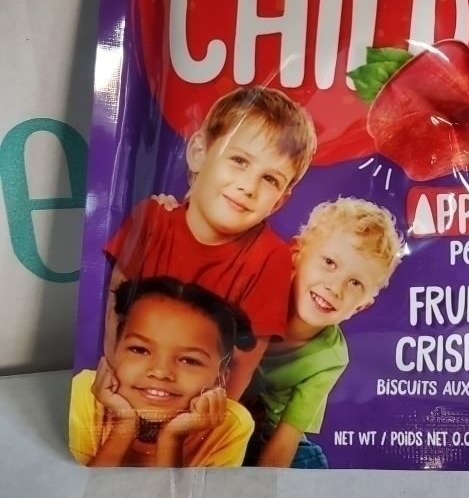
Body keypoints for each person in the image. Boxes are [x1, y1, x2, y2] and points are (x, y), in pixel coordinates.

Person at [103, 86, 317, 399]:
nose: (248, 186)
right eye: (239, 160)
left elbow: (242, 366)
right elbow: (114, 311)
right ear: (199, 153)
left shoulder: (272, 258)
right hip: (125, 388)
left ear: (279, 201)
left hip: (203, 407)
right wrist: (117, 386)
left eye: (270, 179)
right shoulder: (150, 221)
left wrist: (210, 418)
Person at [248, 197, 402, 468]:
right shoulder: (258, 283)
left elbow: (287, 437)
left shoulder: (330, 357)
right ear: (296, 254)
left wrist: (258, 488)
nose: (335, 288)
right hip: (220, 408)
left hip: (267, 433)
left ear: (361, 306)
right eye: (329, 262)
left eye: (355, 283)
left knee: (312, 461)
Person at [70, 277, 256, 467]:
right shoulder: (86, 393)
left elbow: (174, 489)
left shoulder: (230, 424)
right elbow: (82, 485)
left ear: (220, 379)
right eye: (140, 350)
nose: (160, 372)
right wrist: (125, 426)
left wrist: (172, 438)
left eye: (189, 360)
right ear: (114, 352)